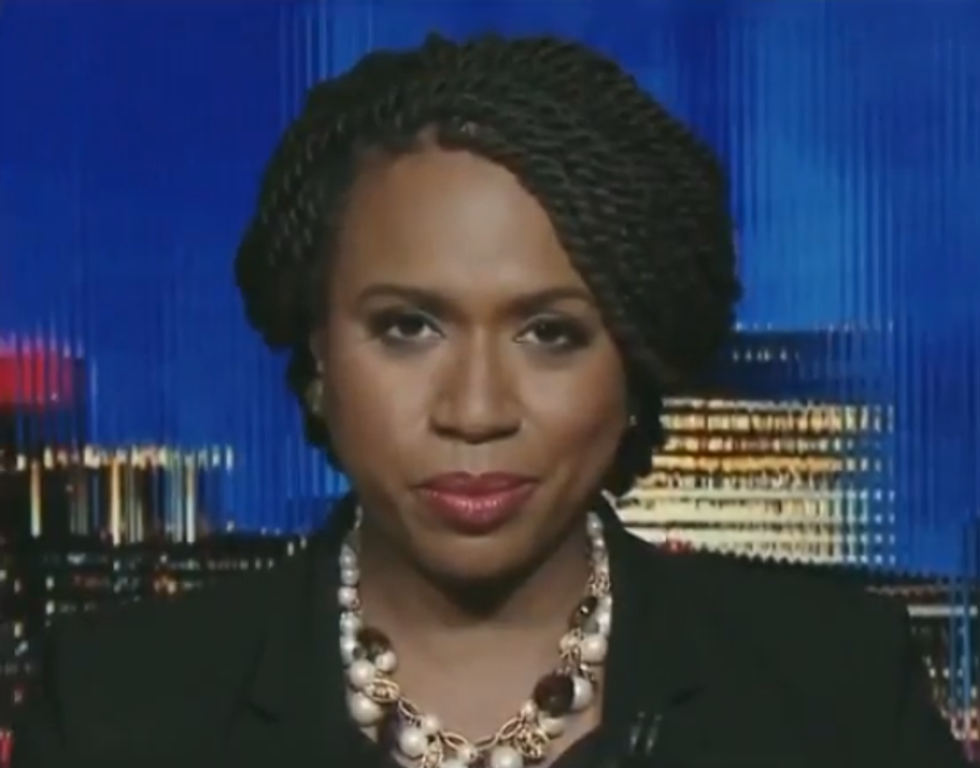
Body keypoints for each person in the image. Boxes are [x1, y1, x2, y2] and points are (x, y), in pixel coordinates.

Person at [11, 33, 970, 768]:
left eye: (550, 333)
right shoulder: (116, 709)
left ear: (634, 371)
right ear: (317, 357)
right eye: (408, 327)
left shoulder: (836, 695)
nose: (474, 410)